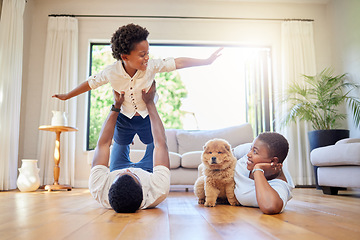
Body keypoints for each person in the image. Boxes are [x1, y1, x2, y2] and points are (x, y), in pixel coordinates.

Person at [53, 23, 222, 173]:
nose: (147, 57)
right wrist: (67, 96)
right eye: (142, 54)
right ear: (125, 57)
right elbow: (90, 83)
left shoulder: (151, 66)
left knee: (154, 147)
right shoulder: (111, 72)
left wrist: (206, 61)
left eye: (147, 53)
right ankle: (123, 160)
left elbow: (178, 62)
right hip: (124, 118)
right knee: (118, 153)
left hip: (145, 118)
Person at [89, 81, 170, 213]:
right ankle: (141, 112)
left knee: (119, 141)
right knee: (153, 143)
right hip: (147, 171)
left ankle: (126, 121)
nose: (129, 170)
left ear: (111, 185)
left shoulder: (99, 188)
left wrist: (116, 106)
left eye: (122, 174)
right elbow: (160, 143)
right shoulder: (158, 190)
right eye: (133, 175)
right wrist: (150, 103)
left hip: (117, 168)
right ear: (143, 187)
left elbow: (103, 144)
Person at [234, 132, 294, 214]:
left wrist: (258, 169)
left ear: (273, 161)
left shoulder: (279, 185)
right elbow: (225, 152)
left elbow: (270, 207)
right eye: (251, 149)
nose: (248, 154)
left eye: (255, 152)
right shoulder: (252, 152)